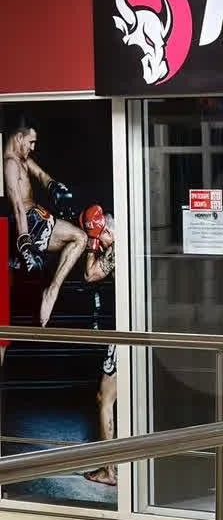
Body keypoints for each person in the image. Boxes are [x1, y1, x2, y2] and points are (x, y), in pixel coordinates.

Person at [3, 121, 86, 327]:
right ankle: (51, 291)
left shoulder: (23, 159)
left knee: (80, 237)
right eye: (30, 142)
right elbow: (18, 207)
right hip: (29, 224)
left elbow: (41, 175)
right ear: (19, 138)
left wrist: (53, 186)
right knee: (80, 238)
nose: (33, 147)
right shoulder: (10, 165)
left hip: (38, 217)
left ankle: (51, 290)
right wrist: (25, 244)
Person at [80, 205, 118, 486]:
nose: (100, 243)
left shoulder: (116, 248)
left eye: (99, 238)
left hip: (126, 333)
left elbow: (90, 275)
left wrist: (91, 247)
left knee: (105, 399)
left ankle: (110, 471)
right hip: (136, 328)